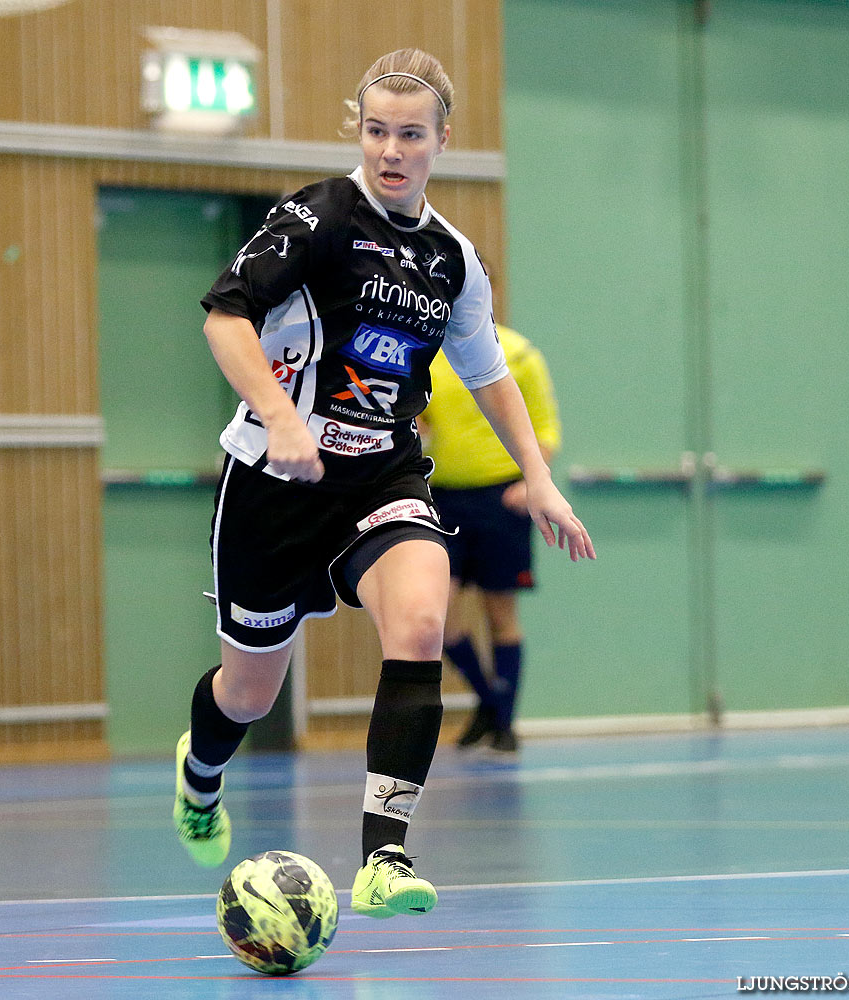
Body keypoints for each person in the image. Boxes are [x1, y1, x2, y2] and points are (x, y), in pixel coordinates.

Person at [170, 48, 595, 921]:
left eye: (410, 134)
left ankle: (384, 857)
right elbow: (226, 316)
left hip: (383, 474)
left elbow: (488, 375)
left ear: (442, 141)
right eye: (375, 131)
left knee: (423, 621)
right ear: (357, 131)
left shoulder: (452, 260)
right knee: (248, 693)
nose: (390, 150)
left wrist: (541, 478)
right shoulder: (316, 217)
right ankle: (201, 772)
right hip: (273, 480)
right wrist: (281, 416)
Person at [420, 322, 561, 756]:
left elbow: (545, 430)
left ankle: (504, 724)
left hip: (502, 496)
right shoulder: (423, 351)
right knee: (435, 619)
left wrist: (532, 481)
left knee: (501, 614)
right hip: (440, 496)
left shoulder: (519, 355)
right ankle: (491, 701)